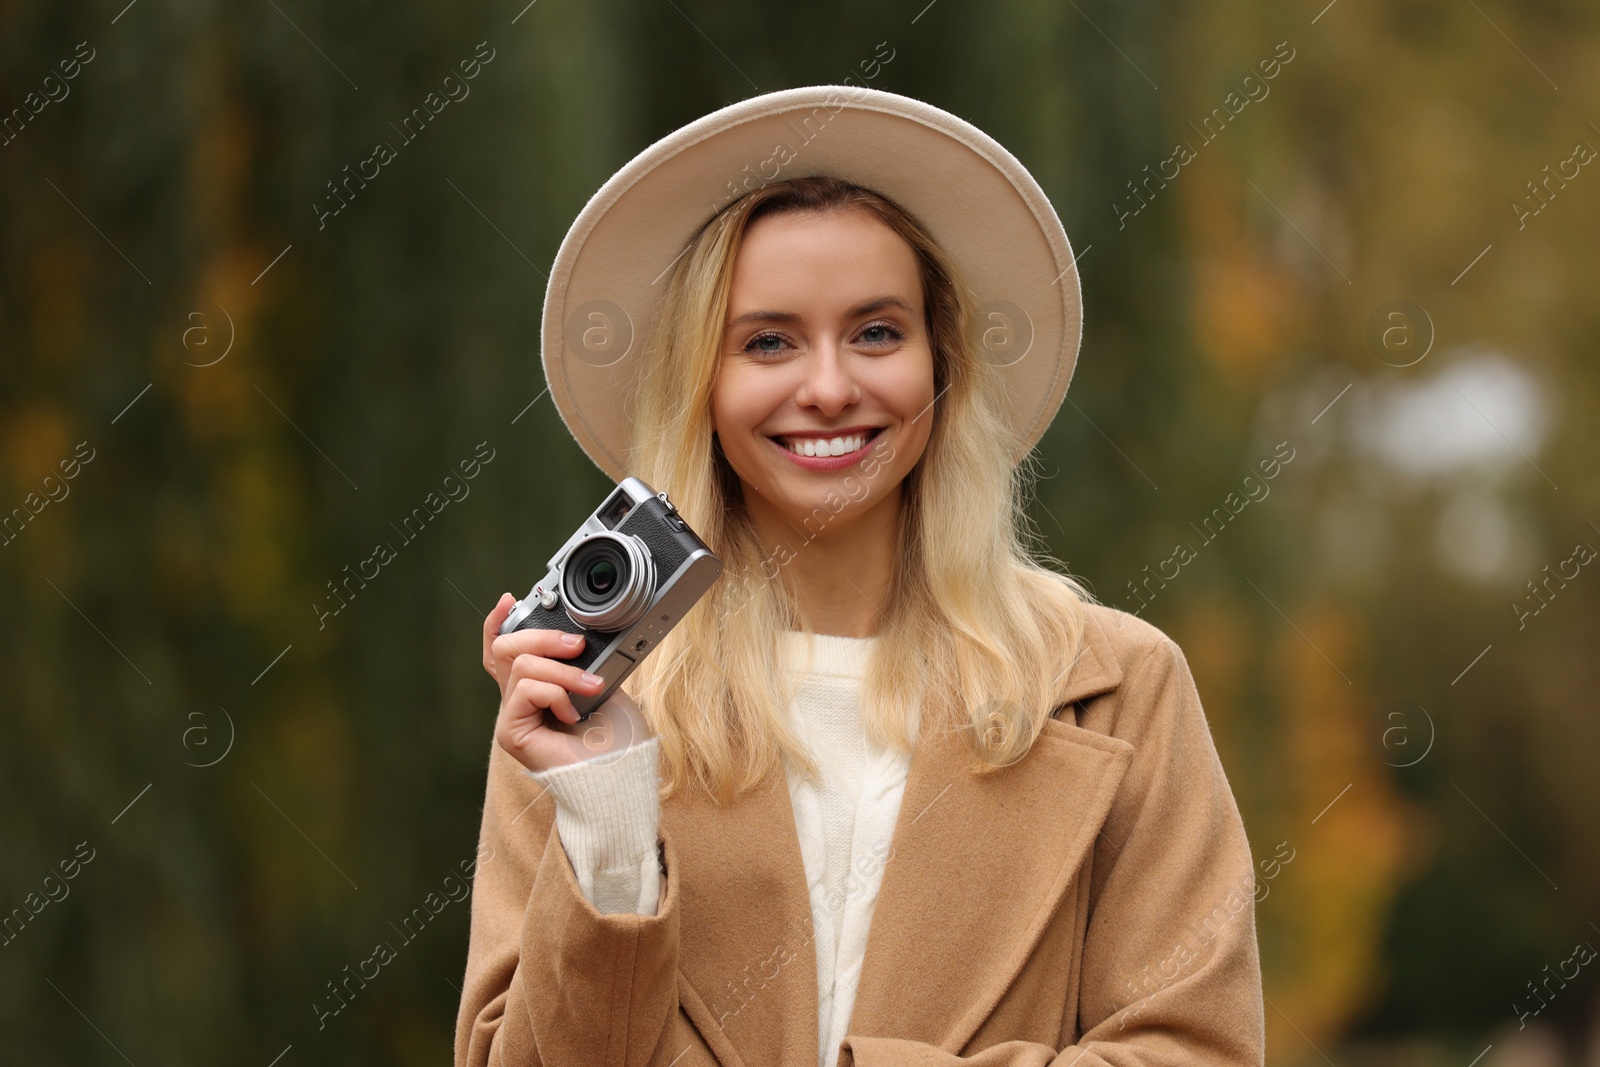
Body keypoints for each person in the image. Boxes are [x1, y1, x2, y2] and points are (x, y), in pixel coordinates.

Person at [454, 86, 1264, 1067]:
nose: (829, 385)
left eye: (877, 331)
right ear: (700, 385)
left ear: (943, 365)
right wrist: (610, 816)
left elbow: (1196, 1050)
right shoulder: (578, 703)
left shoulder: (1117, 690)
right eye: (767, 341)